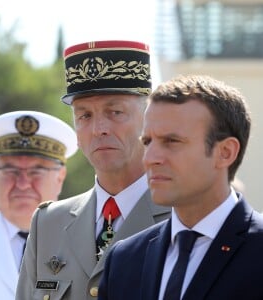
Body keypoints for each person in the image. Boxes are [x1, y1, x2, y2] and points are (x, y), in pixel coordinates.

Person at [16, 40, 171, 300]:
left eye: (115, 112)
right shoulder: (49, 224)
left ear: (149, 120)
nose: (99, 128)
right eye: (85, 116)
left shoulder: (182, 218)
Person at [98, 74, 263, 300]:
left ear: (225, 153)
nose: (151, 158)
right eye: (147, 142)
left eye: (172, 141)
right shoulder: (124, 260)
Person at [0, 110, 78, 300]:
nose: (23, 183)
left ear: (60, 176)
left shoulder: (89, 245)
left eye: (37, 170)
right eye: (10, 170)